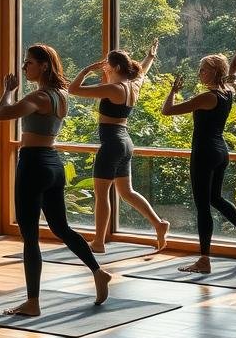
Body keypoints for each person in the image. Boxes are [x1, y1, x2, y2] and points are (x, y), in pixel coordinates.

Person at [0, 44, 110, 316]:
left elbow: (1, 114)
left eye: (29, 62)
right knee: (61, 228)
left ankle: (32, 302)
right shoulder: (61, 96)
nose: (25, 67)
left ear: (44, 65)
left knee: (30, 236)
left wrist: (7, 92)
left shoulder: (39, 97)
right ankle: (98, 271)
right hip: (53, 163)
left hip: (33, 164)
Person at [162, 34, 236, 271]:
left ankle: (204, 260)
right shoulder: (228, 91)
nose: (199, 73)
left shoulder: (207, 97)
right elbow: (233, 70)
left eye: (203, 69)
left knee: (203, 205)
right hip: (220, 152)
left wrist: (173, 90)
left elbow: (168, 111)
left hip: (204, 154)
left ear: (214, 72)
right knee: (215, 198)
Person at [68, 41, 170, 253]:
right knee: (127, 192)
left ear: (115, 68)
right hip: (125, 143)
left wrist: (87, 70)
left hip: (112, 144)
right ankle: (159, 224)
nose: (104, 68)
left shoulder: (113, 89)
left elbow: (73, 89)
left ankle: (98, 242)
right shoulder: (133, 86)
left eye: (106, 66)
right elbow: (142, 72)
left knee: (102, 194)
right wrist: (150, 57)